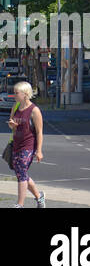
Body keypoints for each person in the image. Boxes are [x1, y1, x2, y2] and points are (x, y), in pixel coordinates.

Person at [8, 80, 45, 208]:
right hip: (16, 144)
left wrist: (39, 151)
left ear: (25, 94)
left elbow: (40, 132)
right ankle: (39, 197)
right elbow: (12, 124)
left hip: (28, 145)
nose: (14, 95)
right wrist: (12, 125)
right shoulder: (16, 107)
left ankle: (20, 204)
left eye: (16, 93)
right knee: (21, 173)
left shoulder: (34, 110)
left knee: (21, 173)